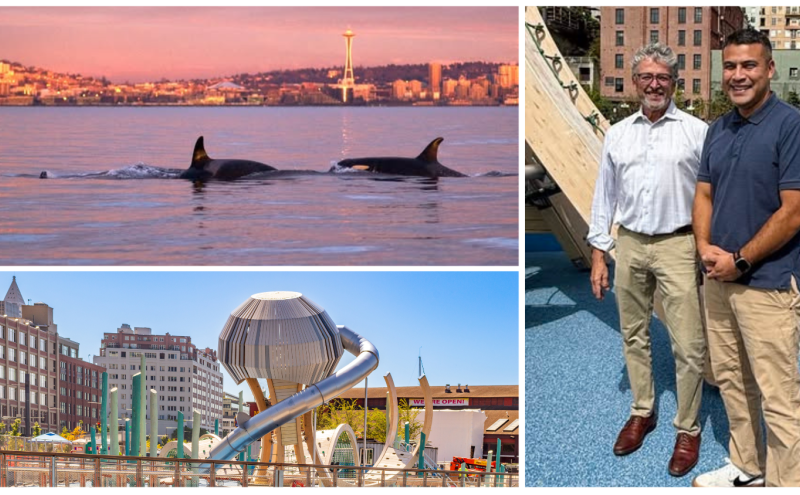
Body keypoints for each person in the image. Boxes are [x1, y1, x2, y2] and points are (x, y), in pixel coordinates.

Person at [588, 43, 708, 477]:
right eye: (646, 77)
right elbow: (605, 196)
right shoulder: (618, 134)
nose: (654, 84)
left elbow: (711, 197)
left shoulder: (697, 131)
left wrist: (707, 246)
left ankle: (688, 428)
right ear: (634, 82)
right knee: (633, 334)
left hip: (679, 244)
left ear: (674, 82)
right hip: (632, 243)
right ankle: (643, 410)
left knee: (689, 345)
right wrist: (599, 252)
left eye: (662, 77)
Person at [691, 28, 800, 488]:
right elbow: (703, 194)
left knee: (778, 394)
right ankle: (748, 466)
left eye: (749, 65)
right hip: (718, 280)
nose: (739, 75)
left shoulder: (790, 124)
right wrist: (704, 250)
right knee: (733, 382)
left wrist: (740, 259)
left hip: (768, 283)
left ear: (769, 69)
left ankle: (786, 481)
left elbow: (794, 210)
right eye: (731, 66)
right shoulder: (719, 127)